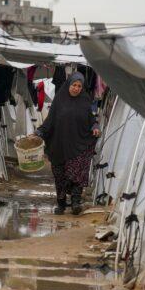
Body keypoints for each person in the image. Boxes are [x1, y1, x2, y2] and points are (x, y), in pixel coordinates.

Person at [34, 72, 100, 215]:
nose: (76, 88)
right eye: (74, 85)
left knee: (77, 173)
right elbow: (50, 121)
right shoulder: (59, 100)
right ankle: (61, 204)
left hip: (79, 144)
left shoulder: (85, 101)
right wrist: (40, 131)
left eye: (79, 86)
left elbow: (92, 119)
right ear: (69, 85)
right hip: (60, 145)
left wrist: (95, 126)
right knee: (60, 176)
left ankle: (76, 202)